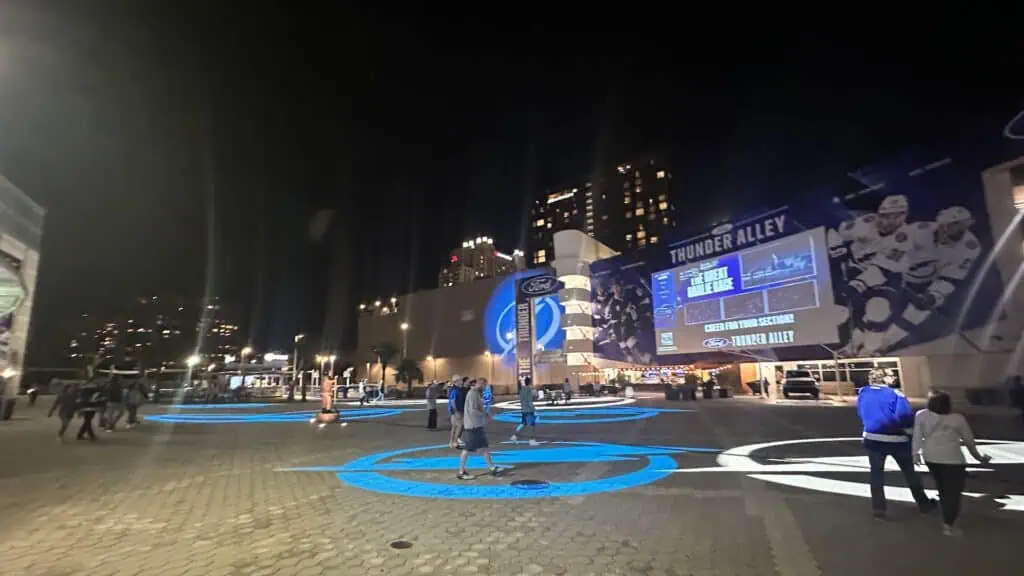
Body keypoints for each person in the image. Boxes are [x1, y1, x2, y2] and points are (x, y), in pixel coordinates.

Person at [857, 369, 934, 519]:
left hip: (872, 439)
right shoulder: (896, 394)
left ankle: (878, 508)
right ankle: (924, 504)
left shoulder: (863, 393)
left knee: (876, 475)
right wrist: (911, 435)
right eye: (892, 376)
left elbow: (860, 412)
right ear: (885, 379)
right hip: (897, 440)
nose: (894, 378)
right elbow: (904, 417)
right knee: (910, 473)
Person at [913, 390, 991, 535]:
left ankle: (947, 516)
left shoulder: (921, 415)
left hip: (931, 458)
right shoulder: (957, 419)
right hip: (953, 460)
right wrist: (979, 458)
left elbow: (917, 436)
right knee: (953, 492)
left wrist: (915, 454)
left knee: (942, 488)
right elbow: (969, 441)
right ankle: (949, 523)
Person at [457, 377, 505, 480]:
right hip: (473, 426)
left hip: (476, 425)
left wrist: (487, 414)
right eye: (483, 385)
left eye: (485, 385)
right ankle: (461, 472)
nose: (484, 387)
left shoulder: (475, 393)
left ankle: (492, 467)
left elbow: (478, 408)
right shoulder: (473, 394)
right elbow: (473, 410)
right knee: (467, 448)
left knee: (484, 447)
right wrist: (484, 414)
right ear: (478, 384)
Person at [511, 376, 538, 445]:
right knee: (531, 425)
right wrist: (534, 409)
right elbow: (529, 401)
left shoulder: (522, 390)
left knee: (523, 423)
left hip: (523, 409)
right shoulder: (529, 389)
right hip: (529, 410)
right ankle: (531, 440)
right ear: (530, 382)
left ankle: (514, 436)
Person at [447, 375, 464, 449]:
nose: (461, 381)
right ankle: (455, 442)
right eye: (460, 380)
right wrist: (456, 411)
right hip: (456, 411)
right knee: (459, 426)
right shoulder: (455, 390)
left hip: (456, 410)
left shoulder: (457, 389)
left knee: (454, 427)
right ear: (456, 381)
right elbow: (452, 401)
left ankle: (451, 442)